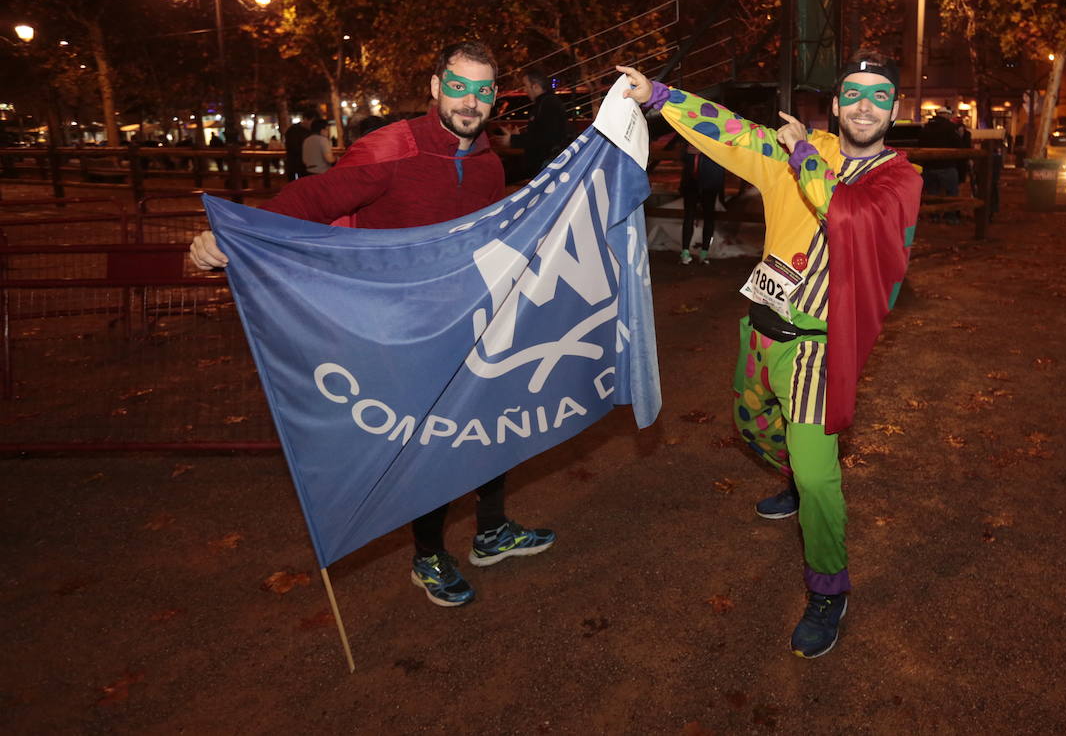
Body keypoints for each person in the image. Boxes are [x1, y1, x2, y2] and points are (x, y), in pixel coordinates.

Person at [189, 41, 555, 608]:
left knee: (488, 425)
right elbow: (313, 198)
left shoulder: (487, 162)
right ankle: (429, 556)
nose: (470, 101)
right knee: (431, 442)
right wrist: (228, 237)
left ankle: (492, 531)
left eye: (483, 91)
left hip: (469, 321)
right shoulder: (393, 147)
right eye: (458, 86)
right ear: (435, 87)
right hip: (400, 330)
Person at [617, 51, 922, 659]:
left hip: (817, 346)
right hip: (759, 326)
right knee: (752, 424)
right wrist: (658, 95)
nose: (865, 106)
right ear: (837, 104)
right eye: (854, 95)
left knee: (818, 473)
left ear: (894, 109)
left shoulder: (898, 180)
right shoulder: (800, 147)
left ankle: (829, 589)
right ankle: (788, 476)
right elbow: (729, 131)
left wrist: (802, 151)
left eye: (879, 97)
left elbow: (844, 211)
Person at [514, 66, 569, 179]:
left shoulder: (548, 104)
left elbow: (544, 138)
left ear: (536, 87)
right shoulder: (544, 103)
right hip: (542, 167)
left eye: (526, 86)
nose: (524, 90)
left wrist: (513, 140)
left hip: (545, 169)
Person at [677, 139, 726, 264]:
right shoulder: (689, 134)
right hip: (691, 183)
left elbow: (722, 156)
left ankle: (704, 253)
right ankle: (685, 252)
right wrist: (687, 152)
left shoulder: (717, 136)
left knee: (709, 217)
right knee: (689, 216)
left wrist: (703, 150)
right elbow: (682, 156)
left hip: (709, 183)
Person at [918, 108, 969, 223]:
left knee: (932, 193)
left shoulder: (926, 127)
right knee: (951, 193)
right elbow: (959, 146)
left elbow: (920, 143)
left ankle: (933, 216)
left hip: (929, 166)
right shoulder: (950, 128)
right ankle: (950, 216)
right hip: (947, 165)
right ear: (945, 115)